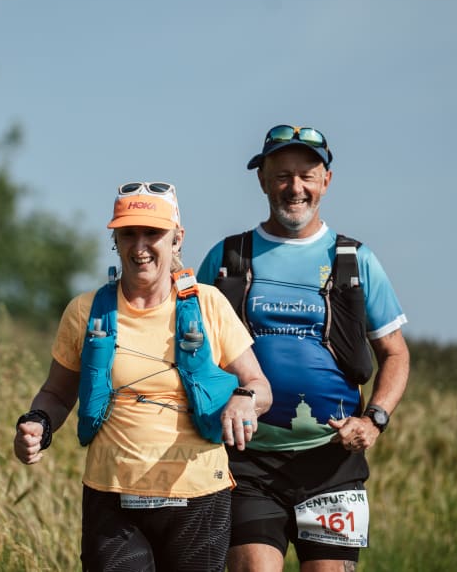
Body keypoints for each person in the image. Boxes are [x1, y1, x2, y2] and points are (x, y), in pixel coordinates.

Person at [14, 181, 272, 572]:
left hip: (199, 496)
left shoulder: (209, 304)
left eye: (153, 233)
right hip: (112, 497)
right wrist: (38, 423)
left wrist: (244, 399)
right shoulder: (84, 311)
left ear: (177, 238)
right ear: (115, 241)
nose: (140, 247)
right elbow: (57, 394)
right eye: (128, 234)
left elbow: (260, 386)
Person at [197, 125, 411, 572]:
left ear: (325, 182)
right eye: (282, 176)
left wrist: (374, 420)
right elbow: (191, 349)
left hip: (333, 463)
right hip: (247, 461)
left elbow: (395, 353)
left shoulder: (356, 260)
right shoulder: (227, 258)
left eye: (307, 176)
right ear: (262, 181)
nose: (295, 188)